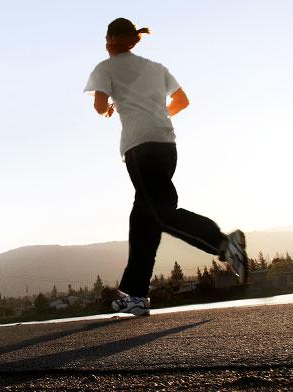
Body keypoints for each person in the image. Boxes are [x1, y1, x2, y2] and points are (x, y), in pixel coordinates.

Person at [84, 18, 248, 316]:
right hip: (166, 145)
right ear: (133, 41)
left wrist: (111, 107)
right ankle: (134, 294)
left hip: (139, 148)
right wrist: (159, 115)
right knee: (143, 220)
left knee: (160, 214)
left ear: (109, 42)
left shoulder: (105, 68)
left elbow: (98, 107)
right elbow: (182, 101)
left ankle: (224, 245)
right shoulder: (155, 67)